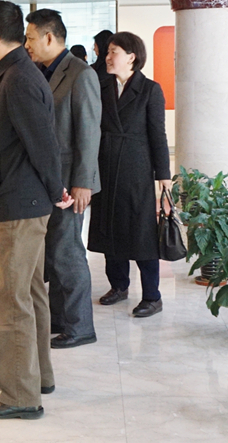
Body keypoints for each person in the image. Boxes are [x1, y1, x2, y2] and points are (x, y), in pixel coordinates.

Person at [0, 0, 73, 420]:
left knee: (9, 299)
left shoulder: (17, 79)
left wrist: (56, 189)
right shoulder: (10, 74)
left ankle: (19, 395)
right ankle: (35, 375)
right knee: (29, 292)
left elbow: (44, 144)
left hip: (18, 205)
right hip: (16, 201)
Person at [24, 9, 101, 349]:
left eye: (30, 38)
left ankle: (80, 326)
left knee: (67, 252)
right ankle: (60, 318)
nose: (27, 44)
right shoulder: (41, 71)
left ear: (49, 37)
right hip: (49, 180)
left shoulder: (80, 73)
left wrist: (84, 182)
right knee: (53, 251)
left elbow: (89, 132)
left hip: (72, 179)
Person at [87, 31, 171, 317]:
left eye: (114, 52)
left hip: (136, 170)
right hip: (106, 165)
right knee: (110, 228)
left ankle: (152, 296)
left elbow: (158, 135)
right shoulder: (101, 86)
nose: (107, 57)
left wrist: (164, 175)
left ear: (131, 57)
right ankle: (119, 286)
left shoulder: (150, 90)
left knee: (141, 233)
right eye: (108, 52)